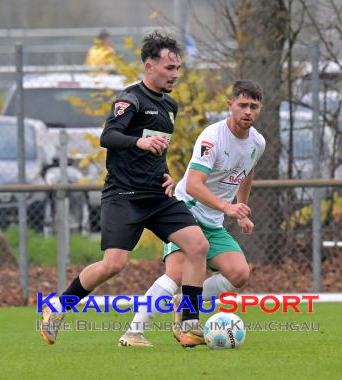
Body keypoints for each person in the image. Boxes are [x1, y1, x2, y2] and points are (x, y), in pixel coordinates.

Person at [39, 31, 210, 348]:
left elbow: (159, 148)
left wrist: (168, 174)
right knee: (113, 265)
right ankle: (57, 307)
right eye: (169, 68)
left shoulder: (170, 105)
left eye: (177, 69)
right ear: (149, 66)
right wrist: (139, 142)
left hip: (158, 197)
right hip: (124, 196)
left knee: (198, 246)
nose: (174, 74)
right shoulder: (129, 99)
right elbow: (108, 136)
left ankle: (188, 324)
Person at [118, 80, 265, 348]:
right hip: (185, 211)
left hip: (214, 220)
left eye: (254, 106)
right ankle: (133, 333)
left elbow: (247, 171)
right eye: (242, 105)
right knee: (176, 273)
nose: (248, 111)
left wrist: (241, 210)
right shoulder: (213, 137)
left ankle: (184, 301)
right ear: (229, 105)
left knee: (240, 274)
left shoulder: (257, 142)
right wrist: (227, 207)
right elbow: (195, 185)